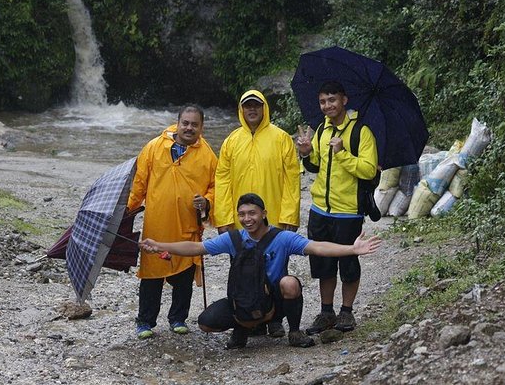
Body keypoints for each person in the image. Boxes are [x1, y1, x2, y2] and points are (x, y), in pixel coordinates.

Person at [139, 193, 381, 350]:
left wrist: (352, 248)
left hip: (274, 298)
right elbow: (196, 247)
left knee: (290, 283)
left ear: (263, 214)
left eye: (252, 213)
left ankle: (293, 332)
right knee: (205, 323)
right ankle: (243, 328)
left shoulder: (282, 238)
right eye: (242, 214)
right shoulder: (232, 239)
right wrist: (160, 245)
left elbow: (317, 246)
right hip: (243, 298)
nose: (247, 219)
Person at [214, 89, 301, 337]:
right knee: (242, 270)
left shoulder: (281, 138)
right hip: (242, 221)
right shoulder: (232, 140)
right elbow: (222, 180)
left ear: (264, 108)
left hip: (272, 220)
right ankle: (249, 319)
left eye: (256, 106)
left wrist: (288, 217)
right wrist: (224, 219)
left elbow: (292, 179)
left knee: (275, 271)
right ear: (241, 110)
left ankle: (276, 318)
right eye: (247, 106)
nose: (252, 110)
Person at [128, 104, 217, 340]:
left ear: (201, 127)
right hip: (157, 224)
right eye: (185, 123)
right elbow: (139, 183)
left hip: (187, 226)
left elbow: (215, 187)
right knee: (151, 275)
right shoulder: (154, 147)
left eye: (194, 124)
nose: (189, 128)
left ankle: (178, 318)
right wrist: (127, 210)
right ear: (177, 123)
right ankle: (145, 321)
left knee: (184, 275)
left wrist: (206, 202)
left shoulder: (207, 155)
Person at [296, 81, 378, 334]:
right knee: (323, 263)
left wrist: (342, 153)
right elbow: (316, 167)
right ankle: (326, 311)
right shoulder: (321, 130)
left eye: (332, 99)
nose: (327, 105)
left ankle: (347, 312)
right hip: (320, 208)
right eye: (323, 101)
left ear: (344, 100)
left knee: (348, 262)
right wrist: (308, 153)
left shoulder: (361, 132)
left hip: (348, 210)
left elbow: (368, 170)